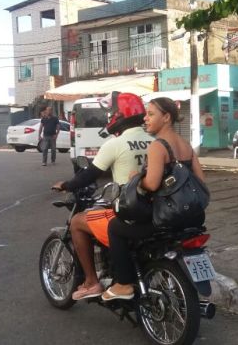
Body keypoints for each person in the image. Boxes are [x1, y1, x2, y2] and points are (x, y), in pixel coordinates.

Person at [51, 92, 154, 300]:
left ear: (119, 115)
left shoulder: (115, 144)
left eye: (112, 113)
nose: (110, 118)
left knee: (78, 222)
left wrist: (67, 185)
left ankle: (91, 282)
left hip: (129, 209)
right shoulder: (154, 141)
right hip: (154, 208)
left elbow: (89, 175)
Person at [102, 97, 205, 301]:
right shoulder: (186, 146)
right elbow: (201, 180)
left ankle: (123, 284)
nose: (145, 119)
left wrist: (135, 179)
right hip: (191, 218)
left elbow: (152, 184)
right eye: (146, 114)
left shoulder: (158, 146)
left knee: (115, 227)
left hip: (165, 217)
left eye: (151, 114)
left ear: (166, 117)